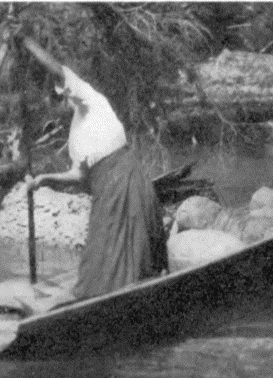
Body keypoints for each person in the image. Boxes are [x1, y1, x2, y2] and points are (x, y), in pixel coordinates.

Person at [18, 36, 167, 300]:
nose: (57, 108)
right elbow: (79, 176)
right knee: (98, 256)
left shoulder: (89, 98)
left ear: (65, 95)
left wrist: (26, 42)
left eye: (58, 99)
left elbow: (57, 70)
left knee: (132, 254)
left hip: (124, 179)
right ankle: (109, 297)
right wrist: (44, 179)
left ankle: (136, 295)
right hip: (105, 191)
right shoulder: (76, 136)